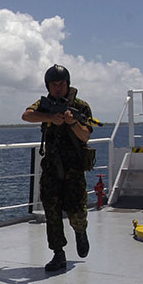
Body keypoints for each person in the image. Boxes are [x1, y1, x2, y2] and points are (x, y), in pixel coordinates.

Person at [21, 65, 93, 272]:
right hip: (52, 166)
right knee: (51, 211)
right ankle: (58, 253)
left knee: (77, 209)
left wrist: (72, 123)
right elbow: (26, 115)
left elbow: (86, 135)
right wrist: (50, 118)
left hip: (74, 167)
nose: (58, 88)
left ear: (68, 84)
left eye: (61, 84)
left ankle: (80, 232)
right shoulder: (44, 105)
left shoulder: (81, 106)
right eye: (54, 84)